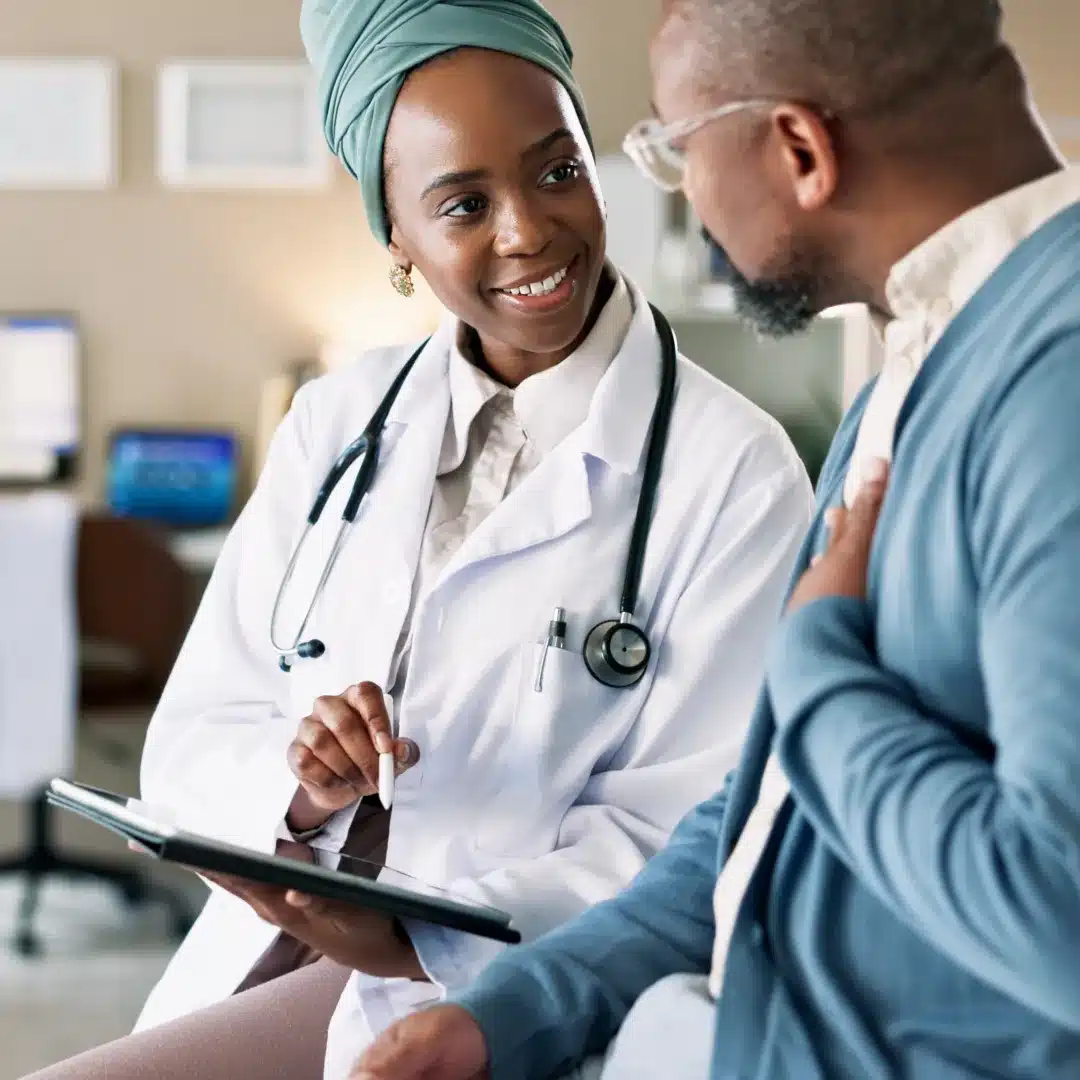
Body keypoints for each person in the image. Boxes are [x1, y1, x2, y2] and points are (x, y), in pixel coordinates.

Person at [19, 3, 814, 1080]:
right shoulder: (335, 423)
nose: (528, 231)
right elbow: (194, 735)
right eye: (463, 203)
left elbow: (684, 839)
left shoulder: (734, 472)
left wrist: (401, 935)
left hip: (490, 980)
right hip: (271, 936)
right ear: (394, 236)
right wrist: (304, 786)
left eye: (557, 171)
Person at [349, 0, 1080, 1078]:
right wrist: (512, 1015)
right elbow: (762, 818)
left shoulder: (1053, 390)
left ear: (798, 148)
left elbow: (1057, 915)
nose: (682, 194)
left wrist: (821, 662)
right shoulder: (914, 377)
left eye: (674, 148)